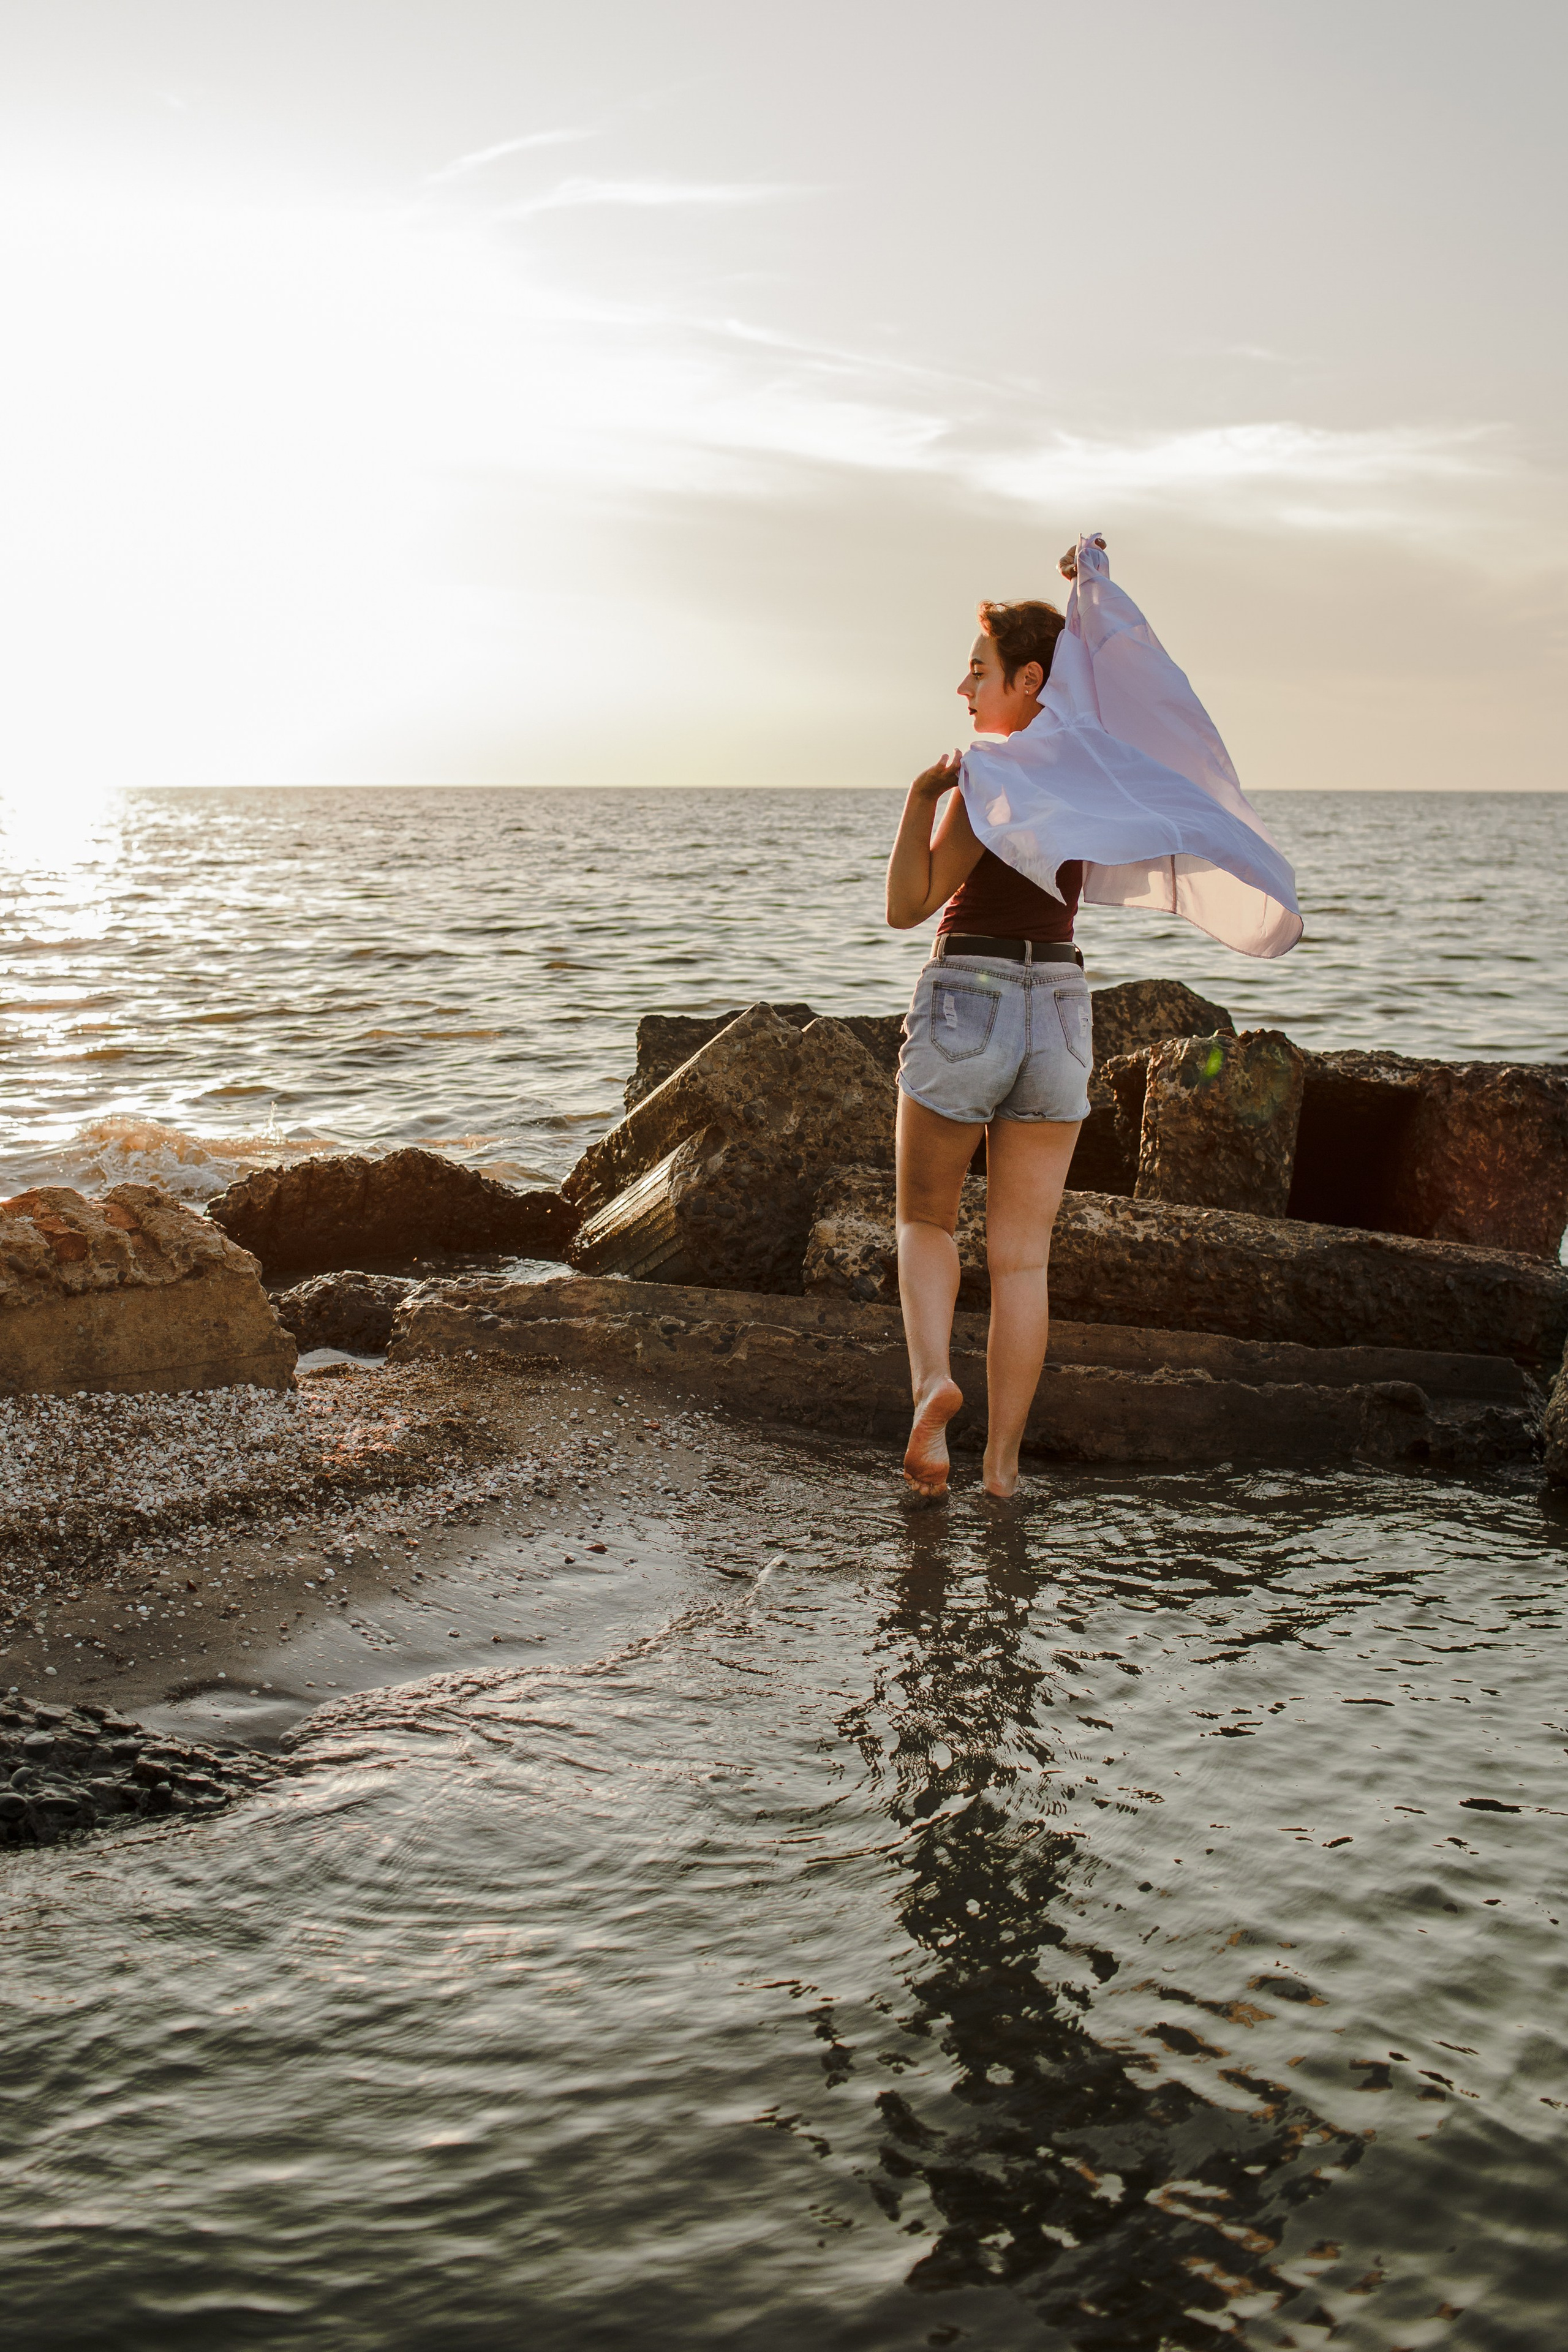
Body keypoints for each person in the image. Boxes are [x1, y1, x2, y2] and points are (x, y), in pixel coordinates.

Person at [884, 533, 1299, 1504]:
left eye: (979, 670)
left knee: (923, 1220)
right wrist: (1094, 595)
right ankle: (1002, 1472)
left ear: (1029, 679)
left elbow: (908, 906)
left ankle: (933, 1388)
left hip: (970, 995)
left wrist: (921, 797)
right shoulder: (1093, 768)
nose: (964, 688)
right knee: (1023, 1260)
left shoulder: (991, 778)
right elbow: (1135, 694)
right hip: (1064, 1007)